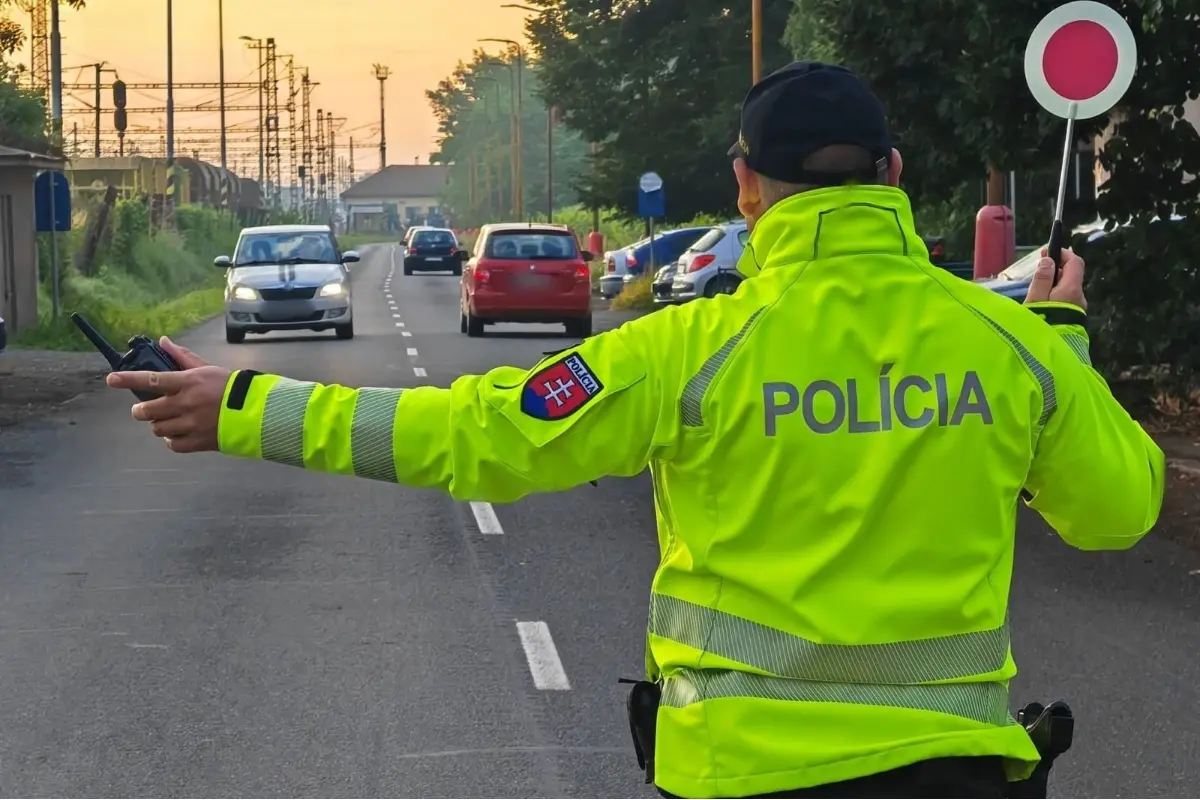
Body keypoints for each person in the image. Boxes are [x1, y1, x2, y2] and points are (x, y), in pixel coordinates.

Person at [107, 61, 1165, 798]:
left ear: (745, 189)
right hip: (962, 772)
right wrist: (1062, 336)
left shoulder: (683, 347)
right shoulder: (1005, 340)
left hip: (747, 773)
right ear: (892, 176)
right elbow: (1118, 512)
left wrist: (242, 406)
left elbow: (476, 435)